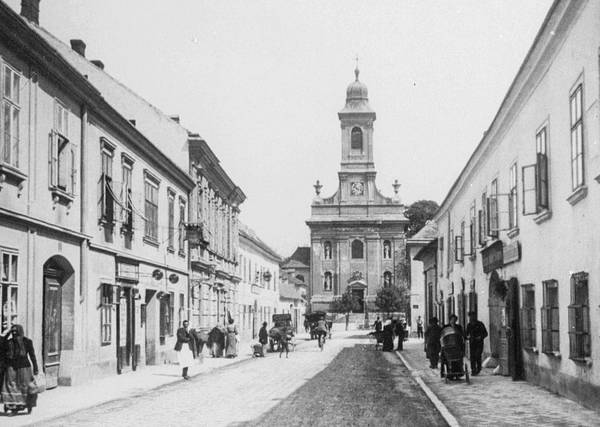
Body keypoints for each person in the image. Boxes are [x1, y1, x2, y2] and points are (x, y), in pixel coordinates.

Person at [0, 324, 39, 415]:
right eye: (12, 331)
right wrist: (7, 334)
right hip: (11, 367)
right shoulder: (9, 342)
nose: (14, 333)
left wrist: (36, 368)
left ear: (20, 331)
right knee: (10, 385)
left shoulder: (27, 342)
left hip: (24, 367)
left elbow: (32, 355)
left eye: (16, 331)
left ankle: (26, 404)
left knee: (24, 386)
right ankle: (13, 406)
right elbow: (1, 343)